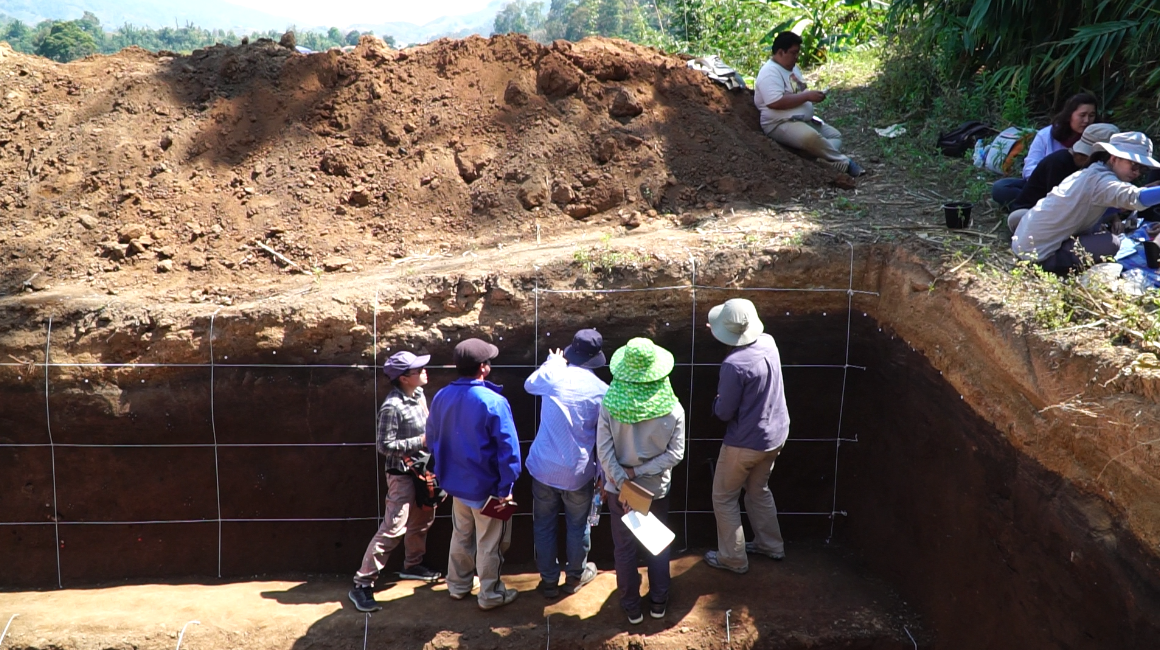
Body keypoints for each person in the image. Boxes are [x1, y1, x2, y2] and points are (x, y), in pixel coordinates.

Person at [427, 338, 522, 610]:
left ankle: (457, 586)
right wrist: (506, 488)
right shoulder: (493, 401)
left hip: (457, 487)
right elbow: (509, 451)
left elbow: (432, 437)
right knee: (490, 543)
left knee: (461, 535)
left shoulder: (442, 396)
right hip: (487, 490)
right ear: (483, 368)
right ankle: (490, 595)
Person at [596, 337, 685, 625]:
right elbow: (676, 453)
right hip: (655, 491)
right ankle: (659, 602)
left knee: (624, 549)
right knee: (657, 546)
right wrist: (641, 472)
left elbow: (604, 451)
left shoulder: (610, 406)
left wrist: (623, 483)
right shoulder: (674, 410)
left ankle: (631, 607)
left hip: (618, 492)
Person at [348, 351, 442, 613]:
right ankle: (362, 584)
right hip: (402, 474)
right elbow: (384, 445)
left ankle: (413, 565)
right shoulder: (392, 407)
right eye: (418, 369)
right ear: (404, 378)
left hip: (423, 472)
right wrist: (421, 442)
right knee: (394, 527)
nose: (424, 371)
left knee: (424, 518)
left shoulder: (419, 395)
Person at [702, 299, 790, 574]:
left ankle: (733, 558)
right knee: (757, 490)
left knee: (724, 497)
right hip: (775, 435)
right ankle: (770, 545)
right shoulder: (769, 342)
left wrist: (715, 402)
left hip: (744, 443)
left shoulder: (733, 365)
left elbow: (724, 411)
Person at [524, 329, 609, 599]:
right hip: (578, 473)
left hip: (544, 469)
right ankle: (575, 576)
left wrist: (552, 363)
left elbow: (529, 384)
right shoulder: (603, 392)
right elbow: (605, 437)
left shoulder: (554, 377)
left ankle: (549, 580)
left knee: (544, 525)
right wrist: (603, 475)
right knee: (578, 525)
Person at [1009, 131, 1160, 275]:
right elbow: (1136, 198)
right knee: (1111, 242)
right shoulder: (1102, 182)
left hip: (1023, 243)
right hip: (1037, 256)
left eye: (1142, 169)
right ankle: (1050, 262)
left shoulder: (1091, 171)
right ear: (1114, 158)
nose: (1137, 172)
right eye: (1134, 165)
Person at [754, 31, 864, 178]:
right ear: (781, 52)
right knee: (811, 138)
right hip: (780, 122)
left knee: (835, 135)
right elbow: (775, 102)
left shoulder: (792, 68)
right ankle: (845, 162)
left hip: (801, 119)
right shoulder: (769, 72)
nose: (796, 57)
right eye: (793, 53)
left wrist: (812, 95)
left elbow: (799, 90)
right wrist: (807, 96)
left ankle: (814, 157)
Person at [992, 93, 1098, 208]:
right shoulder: (1046, 135)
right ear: (1069, 115)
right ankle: (1039, 208)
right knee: (1001, 188)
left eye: (1091, 115)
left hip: (1078, 191)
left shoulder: (1098, 138)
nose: (1087, 120)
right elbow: (1029, 167)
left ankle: (1038, 209)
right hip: (1043, 188)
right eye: (1082, 115)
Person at [1008, 123, 1119, 213]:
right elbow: (1057, 203)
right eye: (1081, 155)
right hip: (1036, 211)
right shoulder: (1058, 163)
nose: (1082, 158)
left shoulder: (1098, 168)